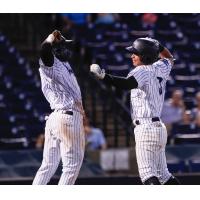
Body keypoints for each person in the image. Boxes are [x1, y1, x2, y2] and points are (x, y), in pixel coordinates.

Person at [90, 37, 180, 185]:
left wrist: (104, 77)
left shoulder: (141, 70)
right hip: (159, 128)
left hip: (145, 128)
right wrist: (159, 46)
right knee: (164, 175)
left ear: (144, 56)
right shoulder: (161, 67)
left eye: (135, 53)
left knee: (147, 175)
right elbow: (169, 57)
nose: (132, 55)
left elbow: (127, 84)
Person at [32, 30, 85, 185]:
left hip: (56, 118)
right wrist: (49, 39)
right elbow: (44, 52)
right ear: (55, 49)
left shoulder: (64, 64)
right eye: (62, 46)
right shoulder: (51, 64)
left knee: (48, 165)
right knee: (71, 167)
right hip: (66, 117)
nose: (66, 49)